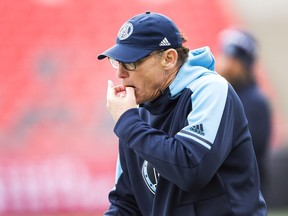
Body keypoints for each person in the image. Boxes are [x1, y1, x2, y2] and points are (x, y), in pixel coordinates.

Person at [98, 12, 267, 215]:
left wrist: (128, 123)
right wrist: (129, 122)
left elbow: (190, 169)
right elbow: (125, 203)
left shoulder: (210, 88)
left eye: (131, 62)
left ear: (169, 59)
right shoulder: (135, 114)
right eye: (117, 62)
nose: (120, 73)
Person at [216, 28, 272, 198]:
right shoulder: (221, 93)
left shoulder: (256, 103)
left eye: (233, 60)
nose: (226, 64)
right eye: (225, 56)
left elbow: (242, 151)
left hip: (242, 195)